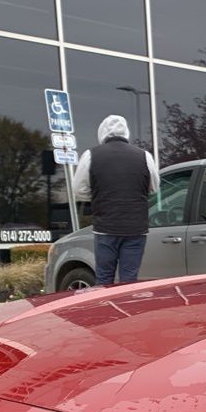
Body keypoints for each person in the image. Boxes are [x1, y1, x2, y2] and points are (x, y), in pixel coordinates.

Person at [71, 115, 159, 285]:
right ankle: (128, 310)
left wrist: (100, 195)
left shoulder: (91, 155)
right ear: (126, 132)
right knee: (129, 280)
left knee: (104, 278)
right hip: (136, 229)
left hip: (106, 227)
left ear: (102, 133)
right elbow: (154, 187)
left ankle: (106, 310)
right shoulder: (144, 156)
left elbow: (78, 189)